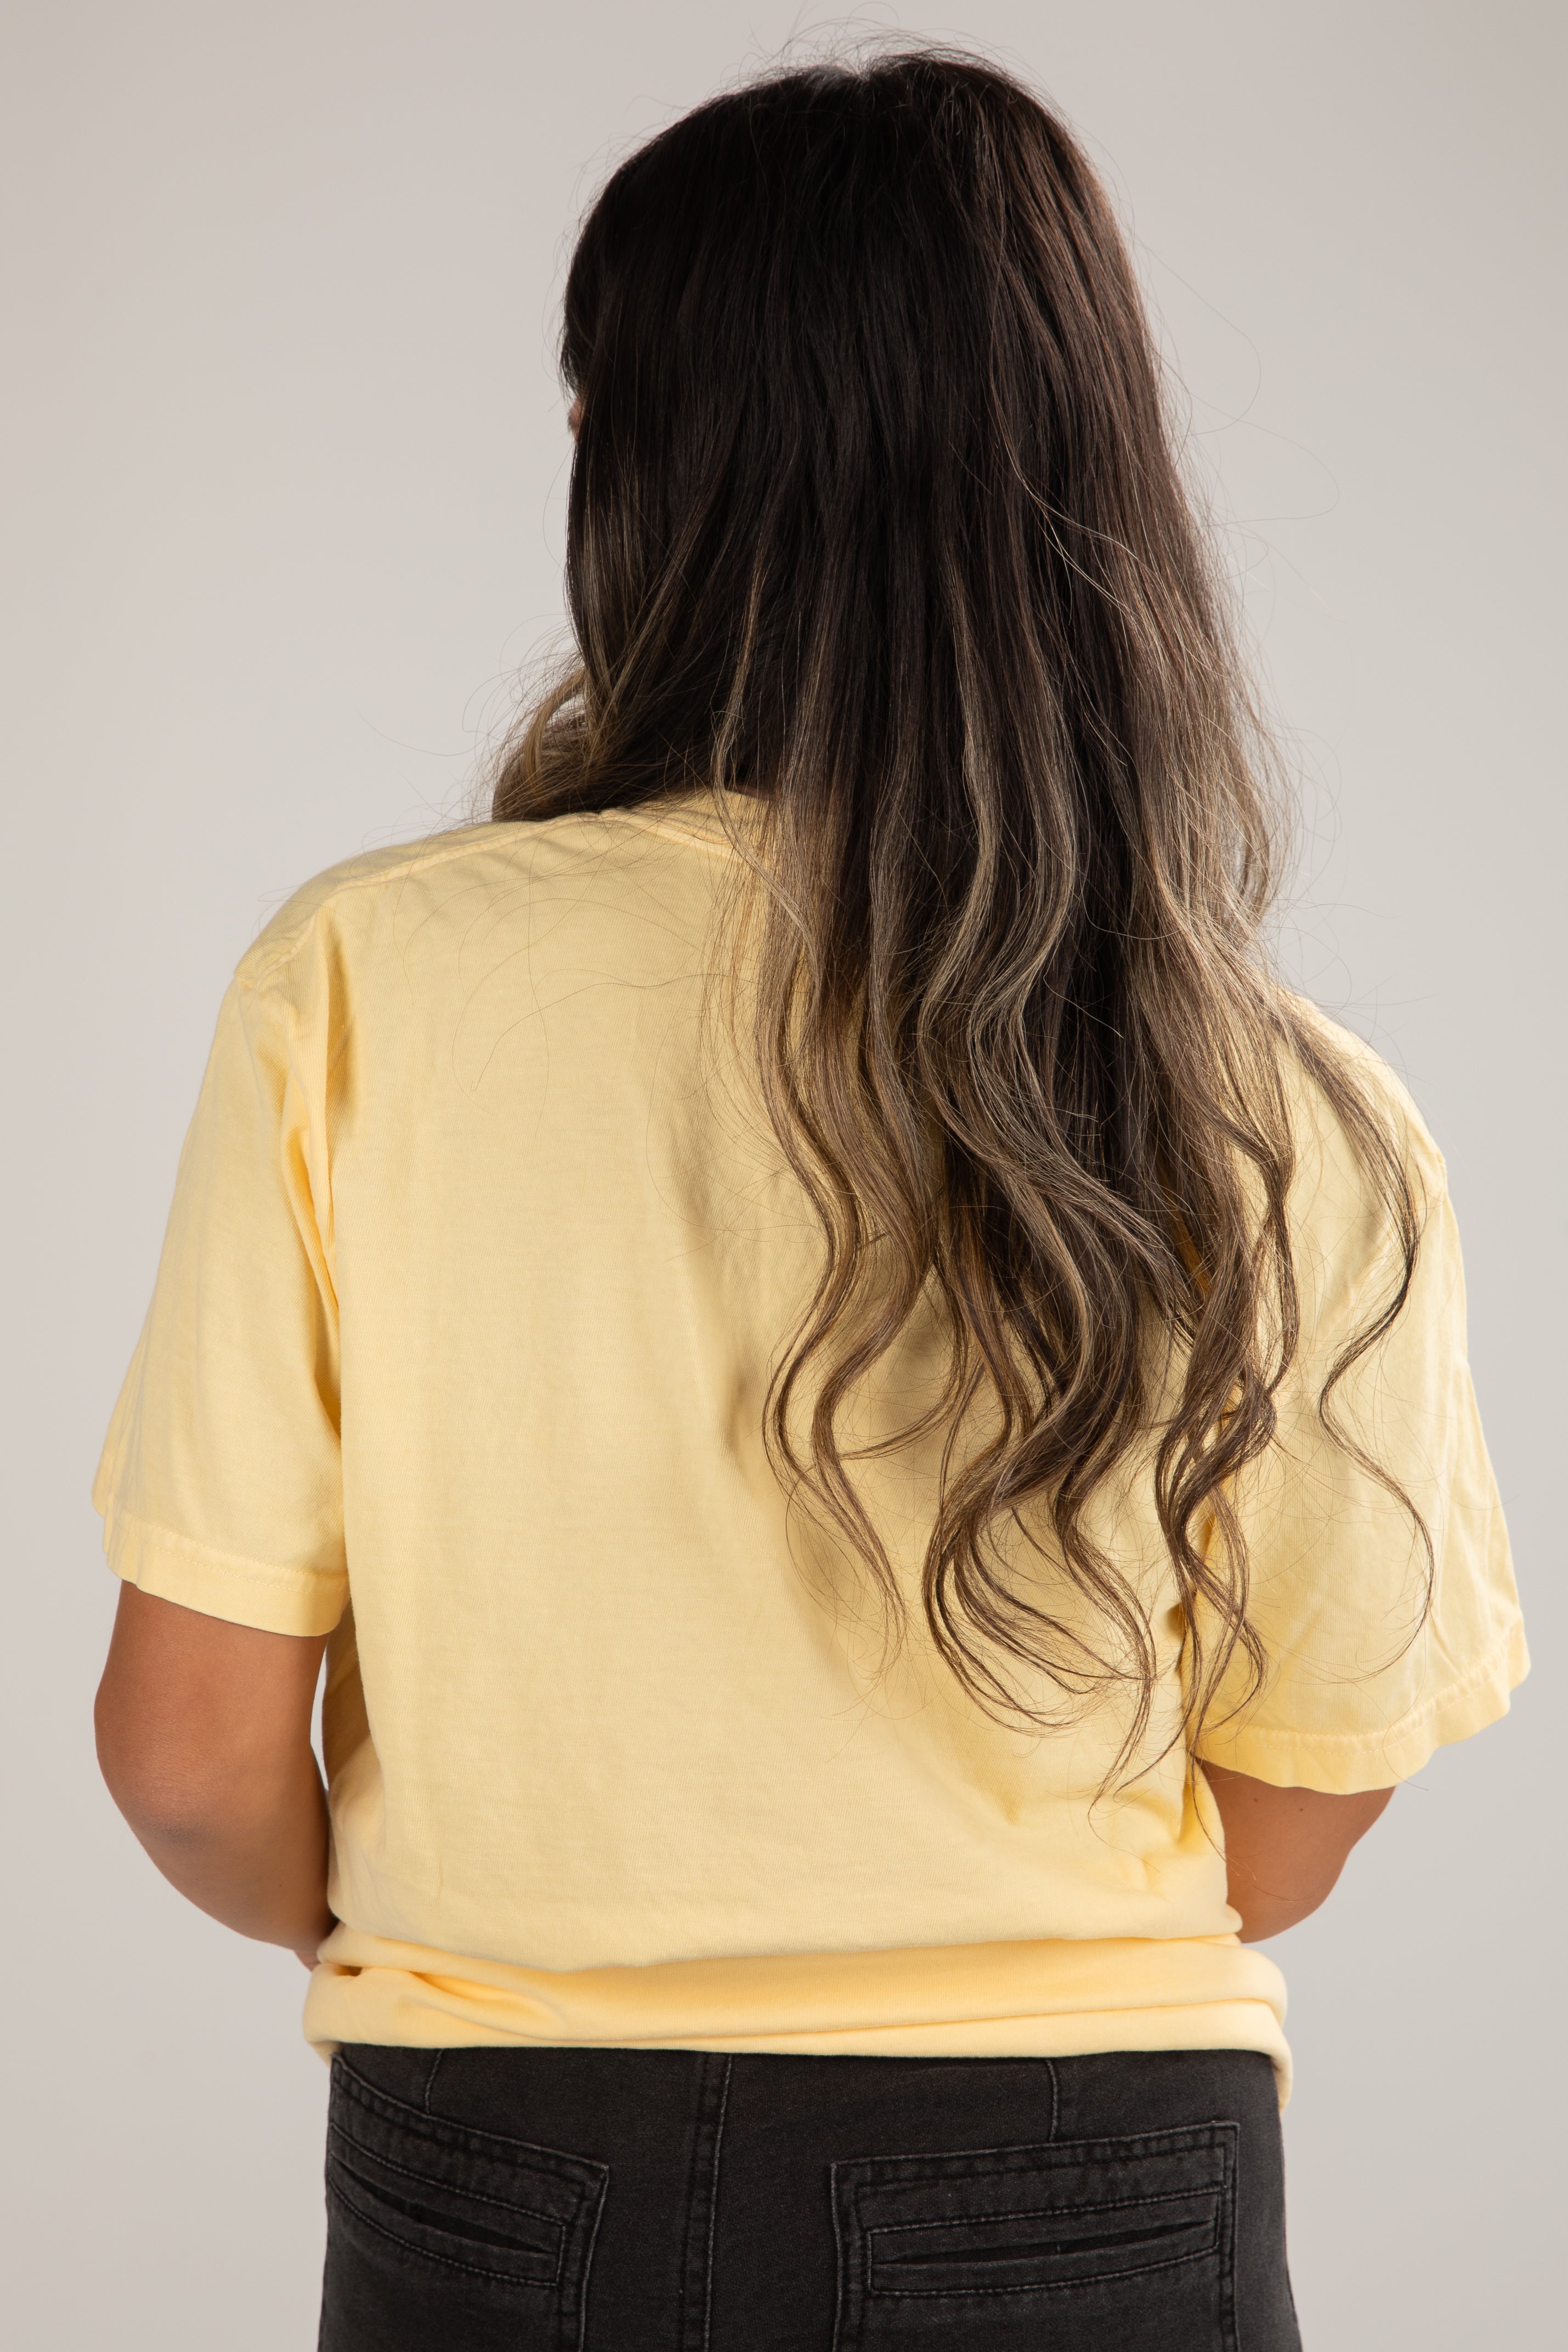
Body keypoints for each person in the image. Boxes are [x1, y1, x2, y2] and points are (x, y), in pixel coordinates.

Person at [91, 49, 1526, 2351]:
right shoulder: (1282, 1106)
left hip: (513, 2181)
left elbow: (188, 1765)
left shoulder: (360, 986)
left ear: (641, 471)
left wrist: (518, 1913)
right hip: (1096, 2198)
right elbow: (1294, 1805)